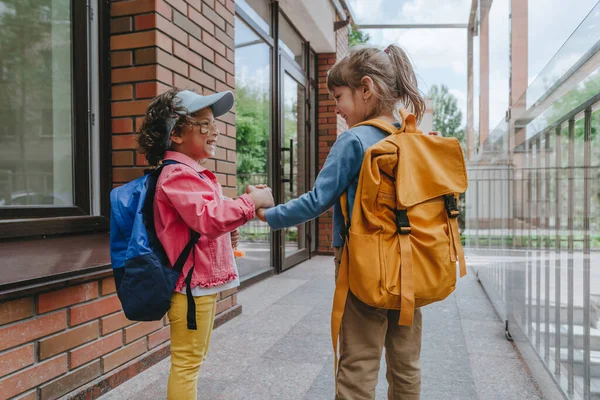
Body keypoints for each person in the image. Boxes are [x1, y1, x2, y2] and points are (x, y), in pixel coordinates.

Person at [259, 44, 430, 399]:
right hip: (411, 266)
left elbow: (316, 200)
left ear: (366, 89)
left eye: (339, 96)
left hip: (364, 266)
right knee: (406, 364)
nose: (336, 108)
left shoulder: (353, 140)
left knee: (358, 364)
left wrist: (268, 215)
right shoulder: (411, 138)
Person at [137, 88, 273, 400]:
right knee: (187, 363)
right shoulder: (177, 175)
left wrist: (230, 228)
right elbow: (209, 218)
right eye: (204, 124)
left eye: (214, 124)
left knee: (191, 360)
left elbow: (207, 223)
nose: (215, 130)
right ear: (177, 134)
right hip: (189, 288)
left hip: (196, 286)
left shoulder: (192, 174)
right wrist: (250, 202)